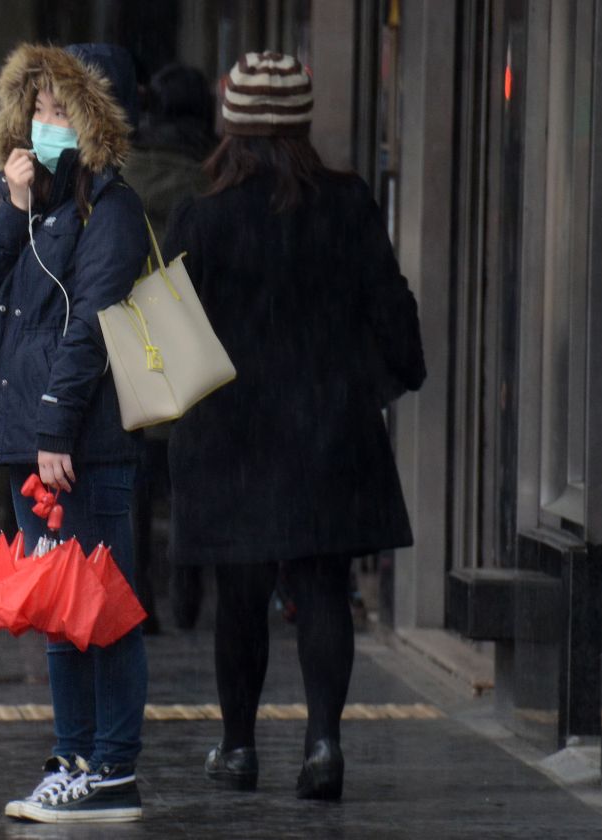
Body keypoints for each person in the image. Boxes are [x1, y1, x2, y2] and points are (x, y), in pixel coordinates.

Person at [162, 52, 427, 800]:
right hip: (327, 427)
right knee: (322, 586)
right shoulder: (347, 203)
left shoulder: (201, 216)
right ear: (302, 125)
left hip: (230, 434)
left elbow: (166, 333)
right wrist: (392, 376)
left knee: (239, 594)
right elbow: (390, 303)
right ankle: (323, 745)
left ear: (231, 129)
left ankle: (239, 748)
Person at [0, 42, 149, 823]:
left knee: (103, 607)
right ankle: (72, 755)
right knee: (59, 610)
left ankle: (112, 770)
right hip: (33, 440)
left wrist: (54, 429)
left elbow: (93, 328)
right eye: (35, 106)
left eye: (61, 107)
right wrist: (11, 206)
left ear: (96, 117)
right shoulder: (33, 205)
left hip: (77, 442)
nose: (44, 121)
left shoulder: (112, 209)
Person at [120, 62, 217, 632]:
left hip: (131, 328)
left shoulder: (123, 172)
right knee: (189, 475)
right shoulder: (209, 179)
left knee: (135, 476)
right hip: (191, 329)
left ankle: (140, 596)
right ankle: (188, 594)